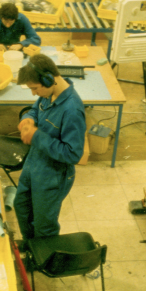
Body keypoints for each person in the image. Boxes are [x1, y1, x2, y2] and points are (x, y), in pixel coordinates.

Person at [13, 54, 86, 243]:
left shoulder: (72, 110)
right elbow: (35, 109)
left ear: (48, 79)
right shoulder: (49, 93)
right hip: (34, 165)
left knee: (44, 224)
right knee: (21, 208)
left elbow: (73, 153)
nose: (33, 94)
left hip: (53, 176)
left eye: (34, 89)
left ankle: (45, 257)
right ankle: (32, 247)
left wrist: (36, 136)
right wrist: (27, 118)